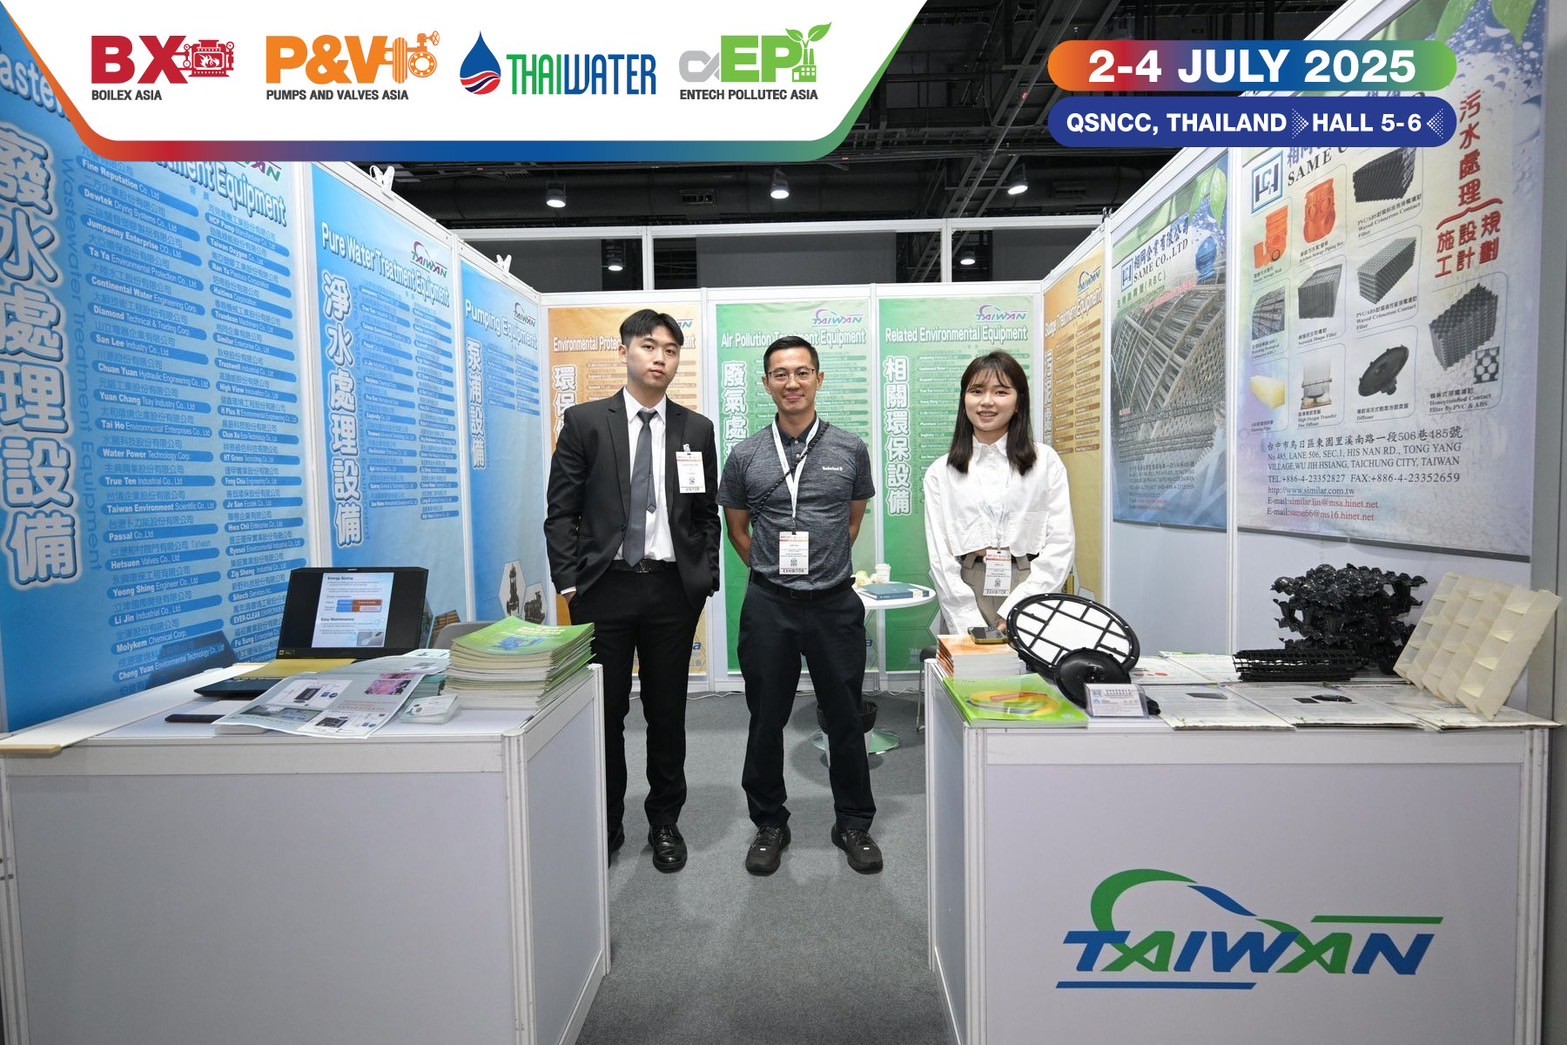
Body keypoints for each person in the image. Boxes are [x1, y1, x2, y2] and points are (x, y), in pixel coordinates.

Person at [545, 309, 720, 873]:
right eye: (649, 346)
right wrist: (570, 583)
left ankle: (665, 821)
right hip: (605, 590)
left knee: (668, 713)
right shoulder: (585, 422)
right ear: (624, 352)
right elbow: (561, 512)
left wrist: (704, 575)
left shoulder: (696, 430)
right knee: (606, 713)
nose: (660, 358)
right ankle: (608, 821)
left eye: (670, 349)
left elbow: (705, 512)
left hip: (671, 591)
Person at [718, 335, 882, 876]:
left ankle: (853, 822)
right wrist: (774, 571)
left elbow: (851, 521)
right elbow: (737, 530)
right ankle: (770, 823)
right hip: (771, 605)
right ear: (767, 383)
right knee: (766, 719)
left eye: (802, 372)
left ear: (819, 378)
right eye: (780, 374)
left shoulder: (850, 448)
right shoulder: (745, 455)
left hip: (834, 604)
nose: (792, 383)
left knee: (845, 718)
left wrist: (820, 568)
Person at [922, 350, 1074, 635]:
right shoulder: (941, 472)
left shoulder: (1045, 462)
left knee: (1025, 665)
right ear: (964, 400)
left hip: (1030, 584)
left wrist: (1019, 608)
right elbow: (940, 556)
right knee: (970, 663)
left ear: (1018, 403)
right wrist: (966, 618)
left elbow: (1060, 543)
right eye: (977, 391)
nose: (987, 401)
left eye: (1001, 391)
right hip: (964, 587)